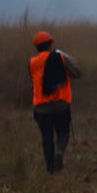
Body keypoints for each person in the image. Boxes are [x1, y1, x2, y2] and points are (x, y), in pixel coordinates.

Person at [29, 31, 82, 174]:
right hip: (61, 104)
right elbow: (77, 73)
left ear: (36, 47)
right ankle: (59, 152)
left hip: (41, 107)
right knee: (63, 132)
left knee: (47, 137)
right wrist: (63, 54)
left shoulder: (32, 62)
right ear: (51, 44)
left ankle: (50, 169)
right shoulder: (60, 58)